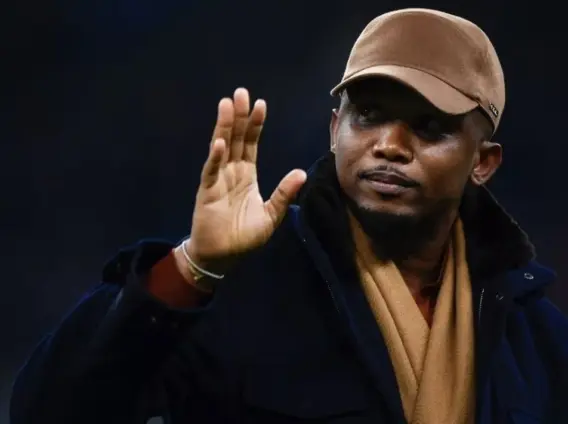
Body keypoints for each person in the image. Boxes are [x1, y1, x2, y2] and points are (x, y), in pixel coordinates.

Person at [10, 8, 568, 424]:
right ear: (334, 129)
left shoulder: (536, 337)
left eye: (429, 127)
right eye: (368, 115)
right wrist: (193, 266)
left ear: (483, 162)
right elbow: (50, 411)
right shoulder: (242, 281)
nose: (390, 145)